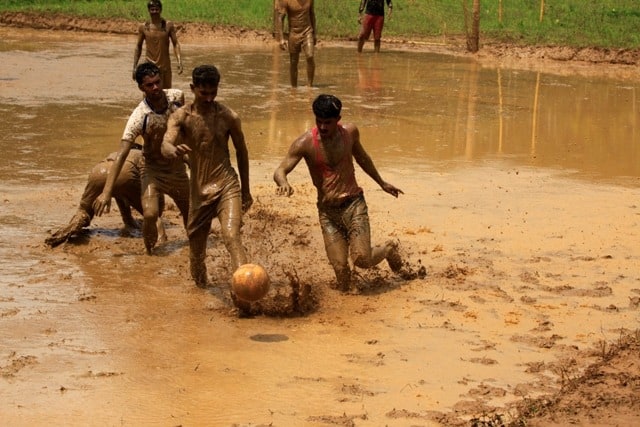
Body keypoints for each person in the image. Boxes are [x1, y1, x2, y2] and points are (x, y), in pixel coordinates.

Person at [273, 94, 405, 291]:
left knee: (362, 259)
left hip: (354, 205)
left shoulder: (350, 133)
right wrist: (283, 183)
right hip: (328, 213)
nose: (323, 127)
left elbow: (363, 158)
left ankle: (387, 249)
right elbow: (280, 170)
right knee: (341, 271)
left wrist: (381, 182)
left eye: (328, 122)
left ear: (338, 119)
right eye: (319, 121)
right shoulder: (305, 143)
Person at [160, 65, 253, 295]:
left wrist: (246, 191)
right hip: (198, 191)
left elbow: (242, 152)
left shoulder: (229, 117)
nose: (210, 98)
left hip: (226, 184)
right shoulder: (181, 116)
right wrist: (172, 150)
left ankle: (244, 294)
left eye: (214, 92)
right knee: (197, 254)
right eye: (204, 93)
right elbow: (165, 143)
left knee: (232, 236)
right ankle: (200, 294)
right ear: (193, 89)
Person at [93, 62, 190, 254]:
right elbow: (121, 155)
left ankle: (192, 250)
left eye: (157, 82)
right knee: (150, 214)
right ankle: (150, 255)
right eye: (149, 85)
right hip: (152, 170)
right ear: (141, 88)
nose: (155, 88)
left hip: (177, 169)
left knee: (191, 215)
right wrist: (106, 192)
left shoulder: (177, 97)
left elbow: (185, 127)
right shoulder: (139, 116)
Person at [45, 149, 165, 248]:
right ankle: (162, 241)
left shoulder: (119, 152)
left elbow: (119, 194)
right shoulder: (143, 157)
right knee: (151, 214)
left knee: (83, 211)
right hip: (124, 173)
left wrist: (129, 221)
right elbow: (153, 188)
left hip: (98, 172)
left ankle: (64, 232)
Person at [133, 0, 183, 89]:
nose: (154, 12)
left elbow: (175, 44)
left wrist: (179, 61)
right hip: (149, 66)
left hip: (165, 66)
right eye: (152, 9)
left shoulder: (168, 25)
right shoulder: (143, 27)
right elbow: (138, 46)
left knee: (167, 92)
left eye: (157, 9)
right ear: (148, 11)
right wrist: (135, 67)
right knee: (149, 92)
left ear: (160, 10)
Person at [274, 0, 316, 87]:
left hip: (307, 31)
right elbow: (280, 19)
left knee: (310, 56)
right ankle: (293, 88)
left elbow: (312, 14)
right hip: (294, 33)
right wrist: (281, 39)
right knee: (293, 62)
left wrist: (314, 34)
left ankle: (309, 86)